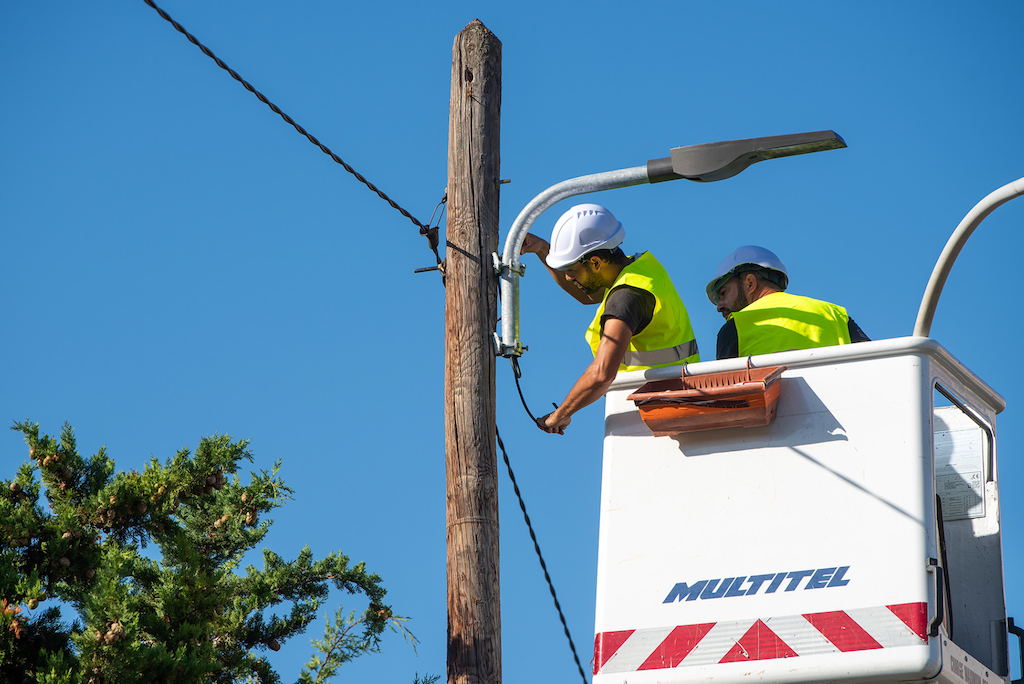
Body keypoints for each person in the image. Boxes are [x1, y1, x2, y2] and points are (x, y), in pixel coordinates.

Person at [520, 203, 699, 434]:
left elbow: (602, 373)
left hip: (656, 412)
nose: (568, 277)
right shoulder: (639, 270)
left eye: (571, 270)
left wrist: (560, 414)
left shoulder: (627, 297)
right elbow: (587, 295)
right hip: (671, 402)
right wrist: (544, 249)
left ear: (595, 262)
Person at [706, 245, 869, 359]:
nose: (719, 306)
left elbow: (726, 393)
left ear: (750, 283)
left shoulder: (735, 327)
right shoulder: (835, 315)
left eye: (723, 293)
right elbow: (875, 364)